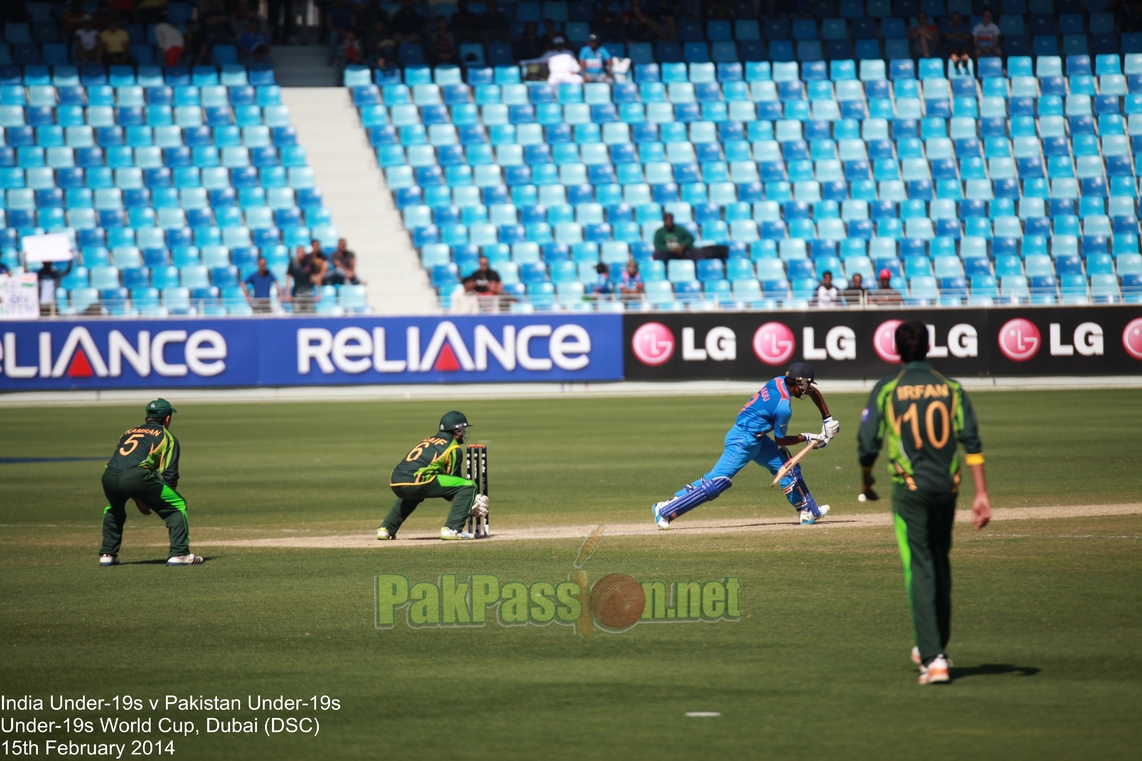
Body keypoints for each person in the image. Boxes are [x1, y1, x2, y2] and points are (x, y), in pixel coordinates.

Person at [857, 320, 991, 685]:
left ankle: (934, 657)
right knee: (940, 563)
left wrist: (867, 482)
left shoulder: (888, 389)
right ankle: (932, 646)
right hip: (947, 489)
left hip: (910, 489)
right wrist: (982, 495)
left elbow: (868, 443)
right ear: (929, 348)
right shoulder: (951, 388)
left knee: (919, 568)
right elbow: (972, 441)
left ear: (897, 351)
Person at [652, 363, 840, 529]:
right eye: (806, 387)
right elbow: (780, 440)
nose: (807, 391)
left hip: (757, 440)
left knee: (788, 466)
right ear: (798, 384)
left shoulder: (778, 380)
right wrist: (809, 438)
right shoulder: (783, 408)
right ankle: (665, 509)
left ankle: (807, 510)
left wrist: (827, 420)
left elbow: (814, 392)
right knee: (716, 483)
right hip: (742, 441)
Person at [99, 399, 204, 566]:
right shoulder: (167, 437)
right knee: (177, 505)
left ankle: (107, 554)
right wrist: (158, 502)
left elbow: (125, 465)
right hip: (136, 477)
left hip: (109, 477)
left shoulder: (127, 433)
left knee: (113, 508)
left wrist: (140, 499)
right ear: (167, 418)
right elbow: (169, 475)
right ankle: (180, 553)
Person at [378, 411, 488, 541]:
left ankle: (386, 529)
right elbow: (454, 482)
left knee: (414, 492)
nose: (464, 432)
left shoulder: (429, 440)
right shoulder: (453, 448)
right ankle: (452, 529)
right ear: (456, 430)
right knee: (469, 486)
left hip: (396, 479)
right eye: (463, 429)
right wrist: (469, 503)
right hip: (418, 478)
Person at [286, 245, 318, 312]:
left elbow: (316, 277)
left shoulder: (309, 262)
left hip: (309, 293)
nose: (301, 253)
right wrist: (288, 294)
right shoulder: (293, 263)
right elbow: (288, 278)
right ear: (297, 253)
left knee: (310, 315)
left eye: (302, 252)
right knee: (296, 315)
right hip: (297, 294)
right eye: (299, 252)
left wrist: (318, 293)